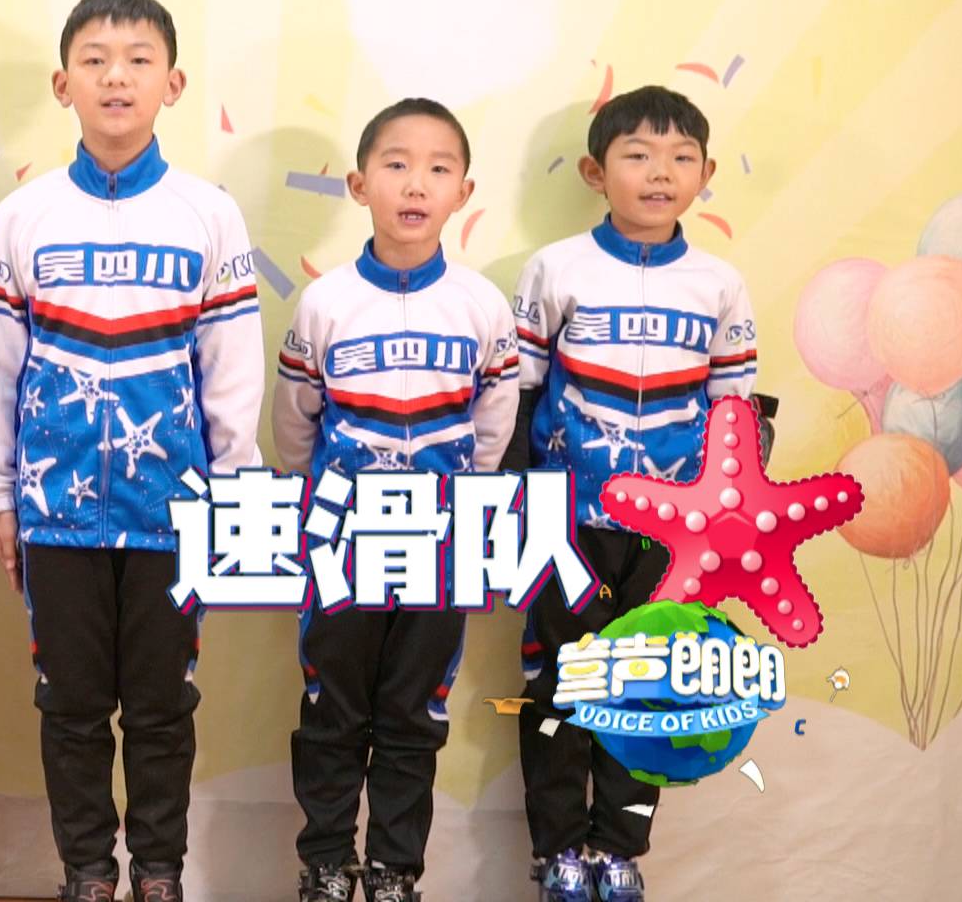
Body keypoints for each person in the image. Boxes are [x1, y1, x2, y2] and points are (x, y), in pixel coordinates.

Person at [0, 0, 264, 902]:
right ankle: (88, 874)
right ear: (62, 84)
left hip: (174, 513)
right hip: (53, 513)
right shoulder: (24, 217)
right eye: (95, 60)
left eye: (139, 60)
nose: (116, 77)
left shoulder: (208, 214)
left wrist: (233, 502)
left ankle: (159, 874)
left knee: (162, 707)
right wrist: (1, 497)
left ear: (172, 84)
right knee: (68, 706)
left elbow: (231, 370)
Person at [508, 86, 757, 902]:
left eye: (682, 158)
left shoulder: (719, 284)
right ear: (596, 172)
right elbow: (519, 395)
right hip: (568, 520)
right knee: (560, 679)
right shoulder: (556, 269)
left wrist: (725, 521)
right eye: (639, 155)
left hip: (672, 531)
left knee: (647, 681)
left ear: (705, 176)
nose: (661, 173)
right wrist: (517, 504)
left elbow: (736, 413)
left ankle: (618, 849)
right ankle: (556, 852)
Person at [273, 98, 519, 902]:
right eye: (397, 165)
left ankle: (392, 871)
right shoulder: (326, 303)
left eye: (438, 169)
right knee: (332, 708)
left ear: (463, 192)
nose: (417, 184)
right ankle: (324, 863)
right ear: (359, 185)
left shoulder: (482, 306)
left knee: (415, 713)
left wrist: (463, 507)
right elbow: (296, 424)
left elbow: (494, 423)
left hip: (440, 548)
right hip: (341, 545)